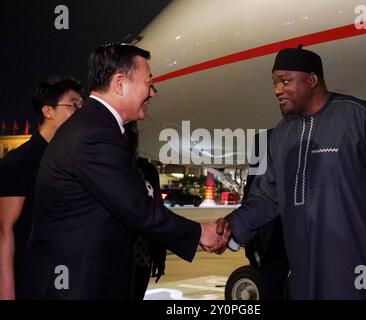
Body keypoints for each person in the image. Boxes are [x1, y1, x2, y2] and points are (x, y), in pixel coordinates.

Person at [17, 43, 225, 300]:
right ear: (119, 83)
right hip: (76, 287)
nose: (152, 92)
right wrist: (200, 233)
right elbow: (137, 209)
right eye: (148, 82)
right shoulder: (95, 135)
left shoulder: (95, 127)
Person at [216, 48, 366, 299]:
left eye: (285, 81)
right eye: (275, 83)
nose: (277, 90)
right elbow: (266, 197)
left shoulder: (360, 117)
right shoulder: (281, 136)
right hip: (306, 276)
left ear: (312, 81)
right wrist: (230, 228)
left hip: (363, 274)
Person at [0, 76, 83, 300]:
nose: (80, 112)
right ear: (48, 111)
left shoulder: (73, 160)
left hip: (65, 277)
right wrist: (6, 292)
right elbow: (4, 231)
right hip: (29, 278)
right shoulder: (21, 161)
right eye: (73, 105)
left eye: (82, 106)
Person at [243, 129, 289, 300]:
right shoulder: (264, 140)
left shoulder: (322, 131)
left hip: (309, 233)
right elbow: (252, 190)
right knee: (272, 288)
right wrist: (249, 237)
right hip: (274, 234)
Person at [123, 121, 166, 300]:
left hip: (143, 255)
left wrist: (159, 255)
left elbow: (158, 213)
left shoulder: (147, 170)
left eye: (134, 134)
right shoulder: (110, 167)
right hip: (116, 256)